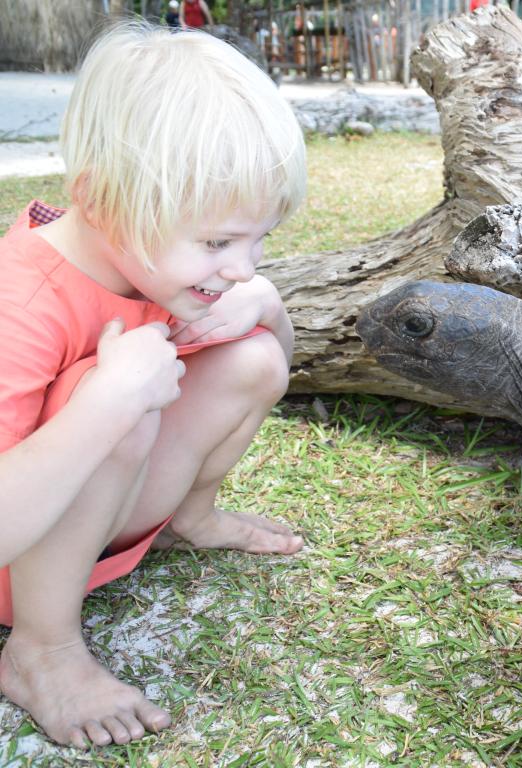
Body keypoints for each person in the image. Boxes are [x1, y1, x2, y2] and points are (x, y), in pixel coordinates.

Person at [0, 22, 306, 749]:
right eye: (218, 242)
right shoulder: (22, 301)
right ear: (104, 201)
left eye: (257, 240)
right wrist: (104, 407)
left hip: (101, 527)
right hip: (18, 562)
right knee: (112, 395)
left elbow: (276, 368)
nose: (240, 264)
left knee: (255, 356)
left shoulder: (158, 264)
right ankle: (41, 649)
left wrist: (269, 304)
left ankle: (186, 521)